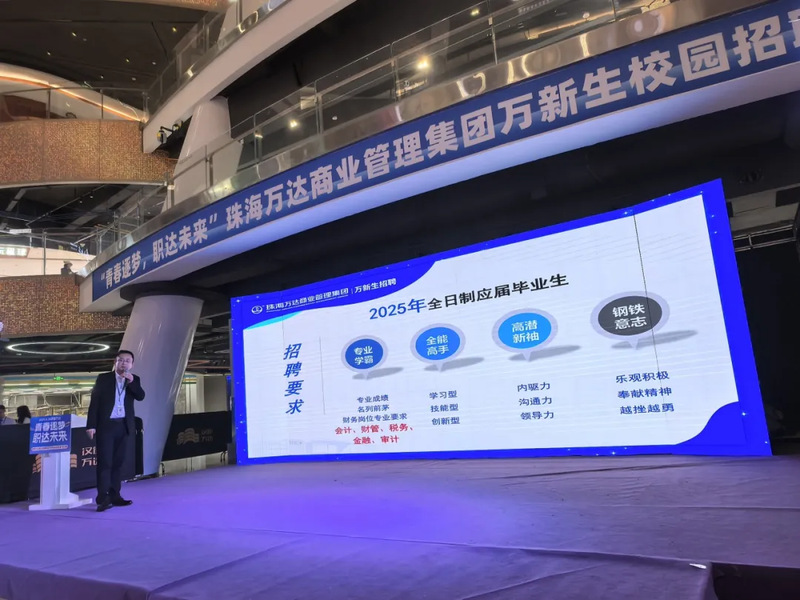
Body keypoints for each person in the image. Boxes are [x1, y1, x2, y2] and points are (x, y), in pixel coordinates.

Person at [87, 350, 145, 512]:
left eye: (127, 360)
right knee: (105, 462)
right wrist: (91, 425)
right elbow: (95, 402)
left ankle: (115, 495)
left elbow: (141, 396)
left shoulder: (134, 379)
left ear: (132, 364)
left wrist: (132, 382)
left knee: (118, 463)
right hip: (106, 426)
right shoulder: (104, 378)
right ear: (115, 362)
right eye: (121, 360)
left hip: (124, 426)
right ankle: (102, 498)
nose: (124, 363)